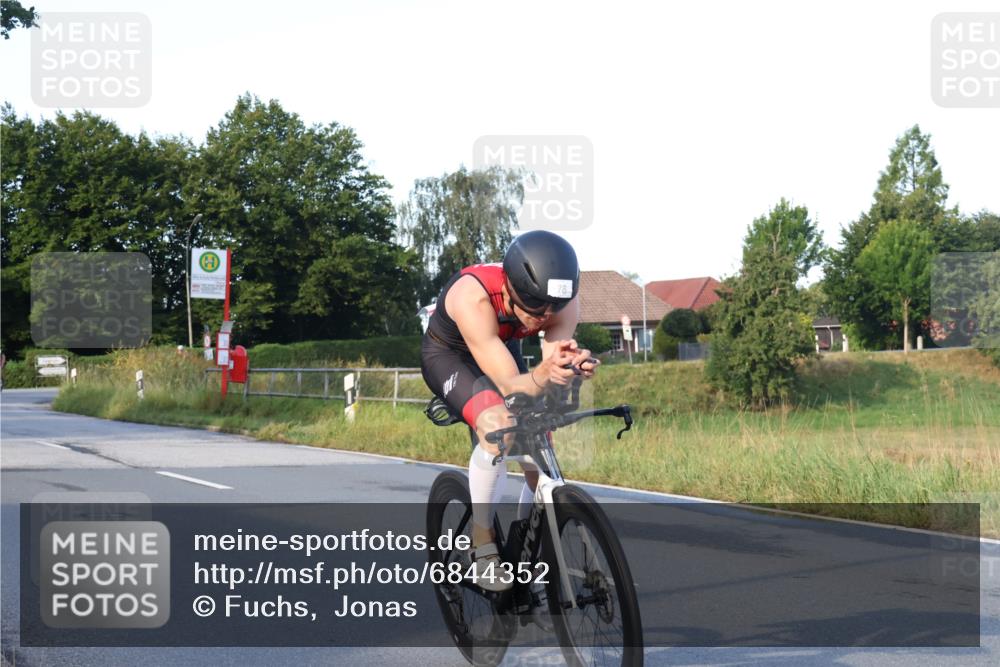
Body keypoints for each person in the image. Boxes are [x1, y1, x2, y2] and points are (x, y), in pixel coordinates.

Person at [420, 230, 597, 591]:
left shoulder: (561, 298)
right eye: (535, 311)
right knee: (498, 424)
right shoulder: (474, 297)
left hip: (499, 346)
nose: (543, 318)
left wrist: (567, 366)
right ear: (511, 291)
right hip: (450, 356)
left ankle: (526, 551)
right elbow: (510, 385)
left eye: (553, 310)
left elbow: (550, 360)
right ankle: (482, 545)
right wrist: (541, 377)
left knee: (538, 444)